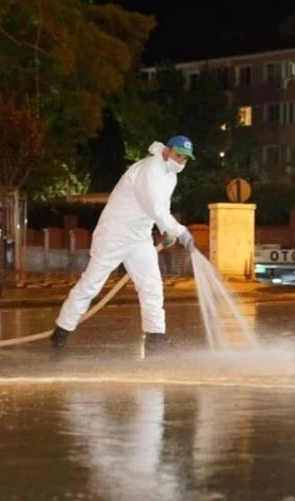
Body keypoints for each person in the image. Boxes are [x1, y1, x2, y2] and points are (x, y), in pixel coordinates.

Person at [50, 135, 198, 352]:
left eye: (185, 159)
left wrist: (166, 230)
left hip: (139, 238)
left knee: (152, 286)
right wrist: (181, 231)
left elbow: (161, 211)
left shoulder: (170, 177)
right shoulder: (148, 169)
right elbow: (154, 208)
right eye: (178, 155)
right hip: (114, 235)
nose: (181, 161)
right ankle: (62, 328)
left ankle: (155, 337)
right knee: (91, 283)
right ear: (167, 150)